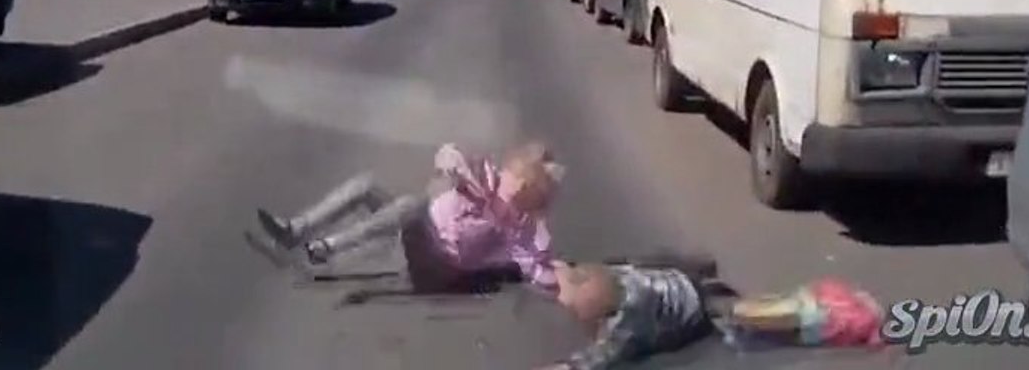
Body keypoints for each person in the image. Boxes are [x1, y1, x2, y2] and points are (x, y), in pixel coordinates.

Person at [255, 141, 565, 292]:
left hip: (438, 263)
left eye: (529, 183)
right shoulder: (488, 176)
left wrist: (557, 272)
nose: (516, 183)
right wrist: (456, 167)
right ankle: (295, 230)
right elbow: (446, 155)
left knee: (411, 206)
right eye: (520, 172)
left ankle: (329, 247)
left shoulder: (521, 228)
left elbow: (539, 271)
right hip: (418, 234)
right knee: (368, 185)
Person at [537, 262, 883, 369]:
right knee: (762, 312)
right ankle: (834, 310)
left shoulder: (628, 322)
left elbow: (599, 359)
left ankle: (843, 320)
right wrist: (562, 272)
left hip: (701, 315)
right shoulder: (623, 277)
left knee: (766, 324)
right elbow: (589, 275)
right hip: (692, 286)